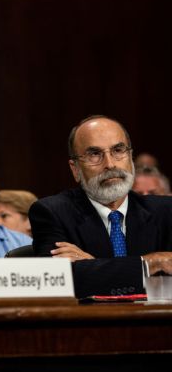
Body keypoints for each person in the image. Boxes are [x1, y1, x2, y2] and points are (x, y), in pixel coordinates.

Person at [30, 115, 172, 298]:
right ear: (75, 169)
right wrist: (151, 263)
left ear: (130, 157)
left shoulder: (167, 212)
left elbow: (85, 276)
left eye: (118, 150)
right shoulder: (51, 212)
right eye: (95, 154)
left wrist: (95, 265)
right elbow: (60, 281)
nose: (110, 164)